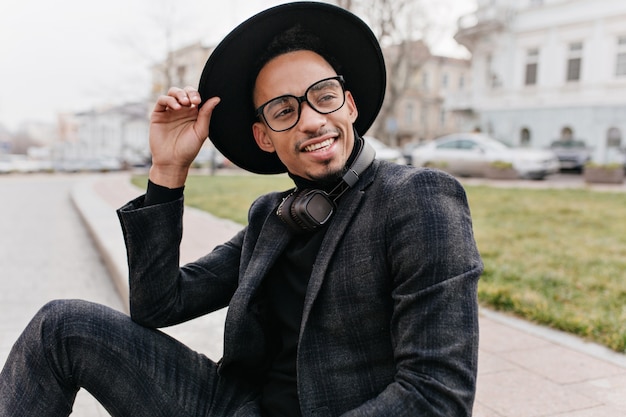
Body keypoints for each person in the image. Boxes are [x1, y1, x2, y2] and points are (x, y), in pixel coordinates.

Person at [0, 2, 483, 416]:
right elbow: (156, 305)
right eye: (284, 110)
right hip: (230, 405)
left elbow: (436, 395)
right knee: (62, 326)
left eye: (324, 96)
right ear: (263, 136)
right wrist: (169, 170)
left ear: (350, 104)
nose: (313, 120)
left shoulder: (417, 200)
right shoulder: (272, 217)